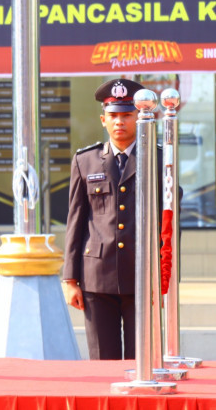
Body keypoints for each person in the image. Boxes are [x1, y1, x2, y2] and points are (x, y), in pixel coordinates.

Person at [63, 78, 152, 360]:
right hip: (96, 279)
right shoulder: (84, 161)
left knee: (143, 363)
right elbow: (76, 221)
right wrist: (70, 278)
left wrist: (165, 278)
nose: (119, 122)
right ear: (103, 119)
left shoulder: (158, 159)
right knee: (103, 362)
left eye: (126, 115)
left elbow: (168, 224)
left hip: (142, 275)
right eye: (113, 116)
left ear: (139, 118)